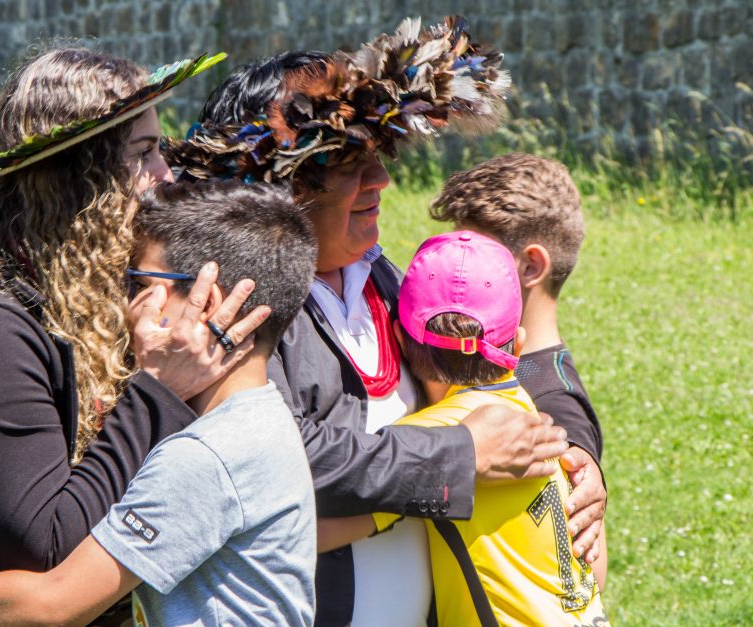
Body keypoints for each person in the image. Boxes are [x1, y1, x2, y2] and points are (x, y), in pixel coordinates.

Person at [167, 16, 606, 625]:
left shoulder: (383, 280)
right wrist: (455, 455)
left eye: (377, 155)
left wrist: (573, 454)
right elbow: (276, 457)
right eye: (350, 163)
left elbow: (501, 356)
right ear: (284, 181)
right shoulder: (238, 309)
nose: (382, 179)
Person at [0, 47, 263, 626]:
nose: (165, 177)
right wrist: (158, 391)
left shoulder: (85, 297)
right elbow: (47, 553)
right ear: (77, 182)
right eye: (143, 154)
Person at [0, 180, 320, 626]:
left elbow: (54, 604)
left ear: (207, 303)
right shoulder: (264, 419)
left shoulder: (204, 457)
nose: (122, 300)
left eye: (139, 281)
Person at [318, 230, 609, 626]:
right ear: (518, 345)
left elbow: (316, 532)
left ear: (400, 340)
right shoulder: (533, 417)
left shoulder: (441, 437)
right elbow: (598, 568)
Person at [429, 152, 607, 565]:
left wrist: (582, 467)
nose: (455, 267)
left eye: (473, 254)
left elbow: (587, 574)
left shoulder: (552, 402)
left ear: (530, 266)